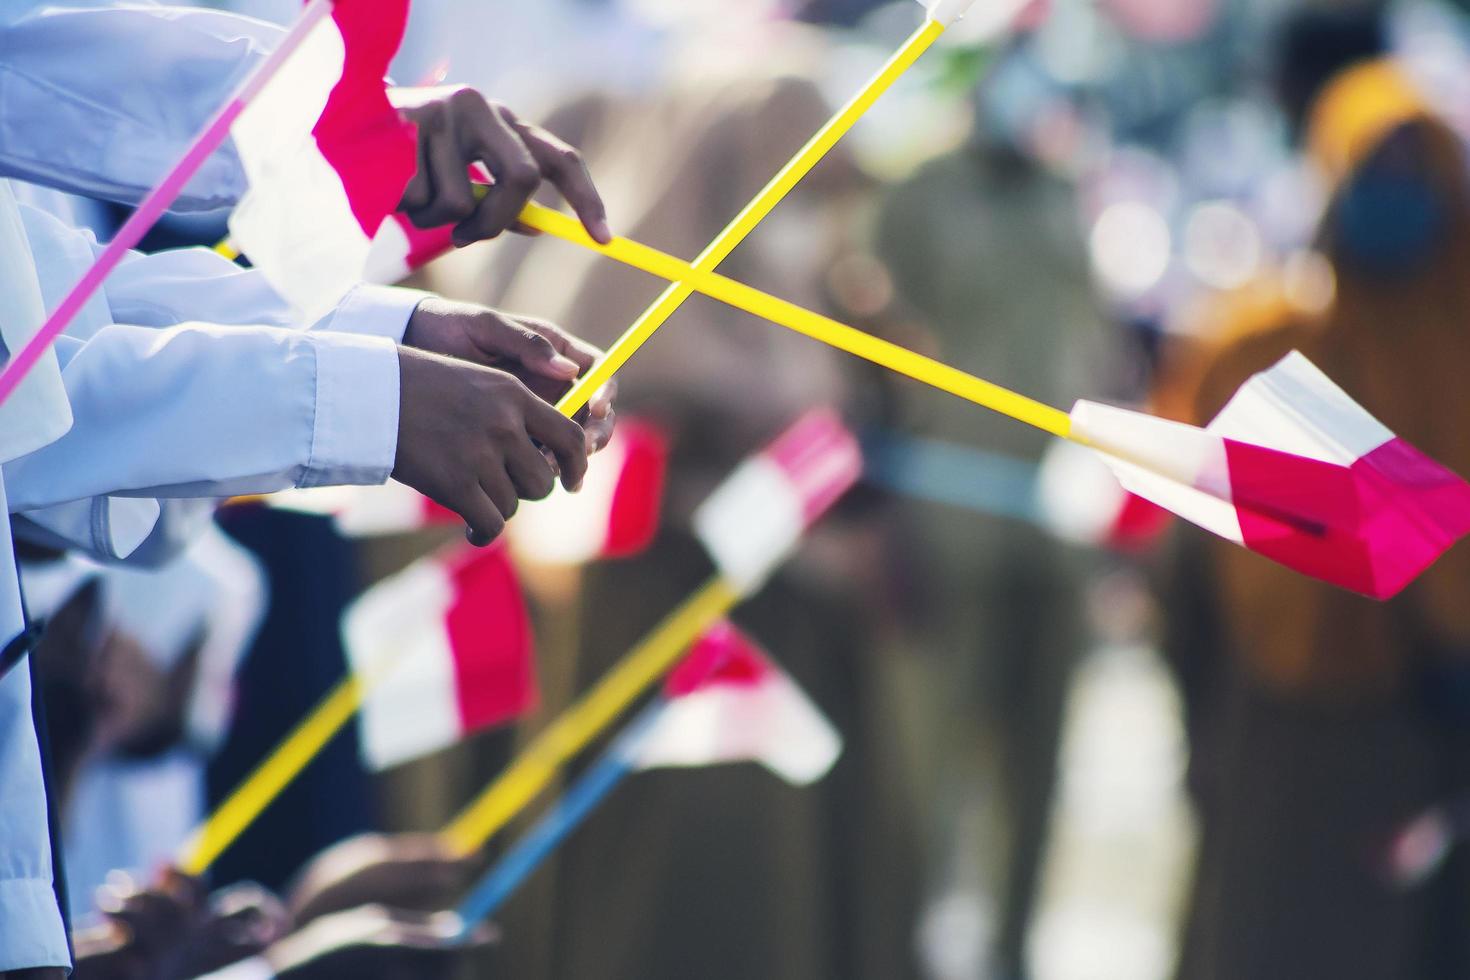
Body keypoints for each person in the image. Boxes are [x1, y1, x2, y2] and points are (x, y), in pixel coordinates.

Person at [1164, 52, 1470, 979]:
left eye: (1419, 176)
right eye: (1374, 170)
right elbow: (1195, 552)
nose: (1397, 196)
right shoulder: (1257, 342)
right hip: (1282, 719)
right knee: (1267, 931)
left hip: (1430, 727)